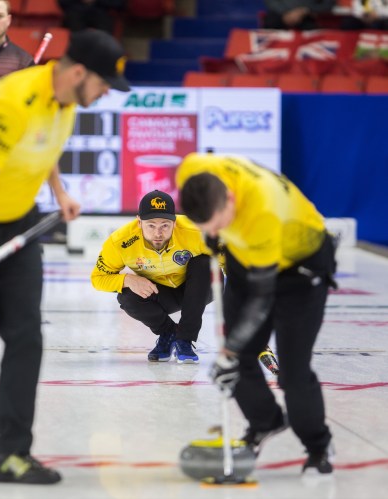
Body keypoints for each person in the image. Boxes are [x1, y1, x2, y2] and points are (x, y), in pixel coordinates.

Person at [0, 29, 130, 484]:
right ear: (79, 72)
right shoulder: (11, 100)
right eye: (102, 85)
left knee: (26, 337)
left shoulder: (67, 101)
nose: (103, 96)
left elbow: (45, 148)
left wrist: (59, 192)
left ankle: (12, 455)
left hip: (17, 218)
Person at [177, 153, 337, 474]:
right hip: (244, 255)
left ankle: (318, 444)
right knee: (237, 362)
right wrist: (214, 235)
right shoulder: (192, 170)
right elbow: (218, 224)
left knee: (292, 372)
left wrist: (229, 349)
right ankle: (265, 422)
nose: (215, 231)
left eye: (219, 225)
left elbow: (262, 299)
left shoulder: (262, 210)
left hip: (300, 269)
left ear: (231, 199)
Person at [91, 190, 215, 364]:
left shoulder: (198, 231)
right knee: (127, 296)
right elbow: (97, 278)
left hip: (198, 288)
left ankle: (185, 340)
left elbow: (232, 267)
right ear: (139, 222)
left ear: (175, 221)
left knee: (206, 263)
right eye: (151, 225)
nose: (158, 233)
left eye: (165, 225)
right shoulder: (120, 242)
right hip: (160, 293)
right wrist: (127, 279)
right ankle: (169, 333)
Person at [59, 0, 127, 35]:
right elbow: (61, 2)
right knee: (73, 19)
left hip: (101, 11)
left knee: (104, 26)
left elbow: (120, 4)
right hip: (75, 11)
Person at [263, 0, 335, 30]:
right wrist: (285, 12)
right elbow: (271, 1)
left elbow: (328, 4)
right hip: (280, 14)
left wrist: (305, 10)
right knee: (271, 22)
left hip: (309, 16)